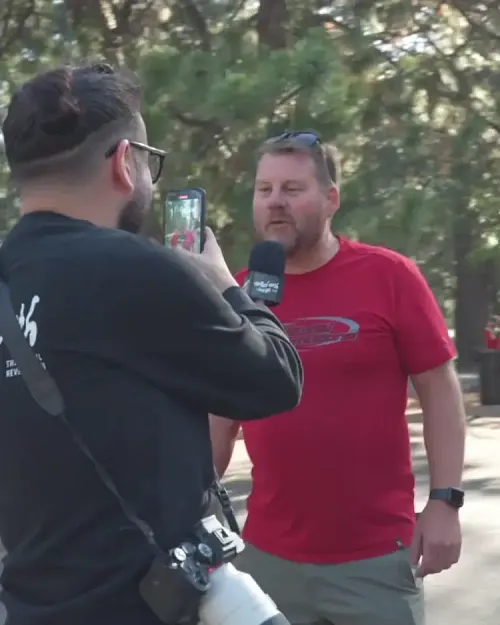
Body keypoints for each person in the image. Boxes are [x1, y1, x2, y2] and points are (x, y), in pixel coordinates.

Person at [0, 65, 303, 625]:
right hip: (147, 604)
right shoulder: (137, 269)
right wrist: (224, 284)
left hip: (29, 603)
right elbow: (277, 380)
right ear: (124, 160)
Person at [210, 131, 466, 625]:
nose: (275, 202)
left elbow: (440, 392)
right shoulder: (239, 294)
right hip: (266, 559)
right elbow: (220, 418)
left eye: (292, 189)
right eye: (264, 190)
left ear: (332, 199)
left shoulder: (389, 276)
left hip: (375, 561)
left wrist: (445, 501)